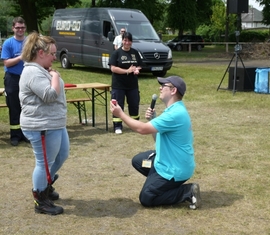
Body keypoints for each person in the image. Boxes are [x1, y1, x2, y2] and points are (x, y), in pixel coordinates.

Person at [110, 76, 201, 209]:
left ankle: (187, 191)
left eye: (164, 85)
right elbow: (158, 139)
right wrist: (154, 119)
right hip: (169, 161)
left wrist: (121, 114)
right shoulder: (173, 110)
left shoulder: (175, 114)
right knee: (138, 160)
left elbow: (141, 129)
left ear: (173, 90)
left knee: (147, 197)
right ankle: (160, 183)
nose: (160, 87)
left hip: (175, 168)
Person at [19, 32, 69, 215]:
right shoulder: (32, 71)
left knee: (62, 154)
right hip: (41, 126)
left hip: (54, 123)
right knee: (44, 163)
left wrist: (52, 74)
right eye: (52, 54)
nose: (55, 57)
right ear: (40, 53)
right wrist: (55, 76)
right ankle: (40, 200)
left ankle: (45, 185)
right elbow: (49, 95)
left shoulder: (41, 70)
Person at [1, 17, 28, 146]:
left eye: (22, 27)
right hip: (12, 78)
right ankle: (15, 136)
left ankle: (26, 134)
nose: (20, 30)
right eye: (17, 27)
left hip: (28, 78)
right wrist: (21, 57)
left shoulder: (29, 42)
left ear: (25, 28)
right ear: (13, 28)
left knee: (27, 106)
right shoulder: (8, 43)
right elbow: (6, 62)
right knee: (14, 106)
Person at [109, 32, 142, 134]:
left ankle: (135, 125)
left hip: (132, 85)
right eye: (125, 40)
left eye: (129, 41)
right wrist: (126, 71)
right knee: (118, 105)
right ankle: (117, 126)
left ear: (131, 42)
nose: (127, 43)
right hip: (118, 85)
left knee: (134, 105)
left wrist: (137, 70)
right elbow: (113, 68)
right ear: (122, 40)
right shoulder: (116, 53)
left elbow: (140, 65)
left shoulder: (135, 53)